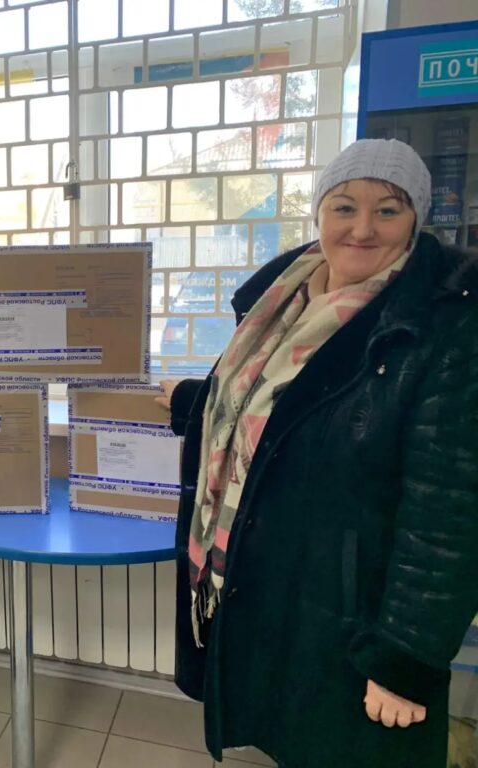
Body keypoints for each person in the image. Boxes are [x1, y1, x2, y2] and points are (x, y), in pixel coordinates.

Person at [158, 139, 478, 768]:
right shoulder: (283, 298)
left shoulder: (444, 326)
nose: (362, 229)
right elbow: (289, 412)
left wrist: (404, 659)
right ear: (320, 212)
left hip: (356, 614)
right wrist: (196, 401)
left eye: (388, 210)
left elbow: (450, 510)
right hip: (281, 583)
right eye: (344, 206)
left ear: (416, 219)